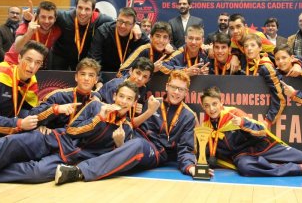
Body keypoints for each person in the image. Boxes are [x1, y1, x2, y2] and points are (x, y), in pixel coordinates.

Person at [0, 81, 142, 185]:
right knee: (10, 143)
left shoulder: (127, 129)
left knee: (37, 173)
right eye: (121, 96)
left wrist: (119, 145)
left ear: (134, 103)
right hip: (56, 139)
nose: (123, 101)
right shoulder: (96, 107)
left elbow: (108, 160)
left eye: (129, 99)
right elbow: (72, 130)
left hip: (70, 159)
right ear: (114, 97)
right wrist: (98, 119)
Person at [189, 86, 302, 178]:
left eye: (214, 104)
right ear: (203, 107)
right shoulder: (205, 127)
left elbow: (261, 131)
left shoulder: (233, 114)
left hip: (264, 147)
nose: (212, 108)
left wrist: (244, 123)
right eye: (207, 106)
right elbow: (209, 153)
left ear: (221, 102)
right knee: (245, 169)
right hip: (243, 156)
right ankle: (300, 170)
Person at [54, 70, 198, 185]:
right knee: (111, 135)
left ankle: (80, 171)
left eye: (181, 89)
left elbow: (186, 148)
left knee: (139, 145)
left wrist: (190, 167)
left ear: (186, 92)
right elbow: (130, 120)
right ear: (167, 86)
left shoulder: (188, 116)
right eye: (174, 87)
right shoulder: (151, 102)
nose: (176, 92)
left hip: (155, 151)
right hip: (132, 138)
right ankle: (72, 158)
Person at [0, 58, 102, 183]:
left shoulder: (97, 103)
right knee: (12, 147)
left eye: (91, 75)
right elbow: (34, 114)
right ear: (76, 77)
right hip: (47, 139)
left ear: (96, 80)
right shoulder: (58, 95)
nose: (86, 78)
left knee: (38, 173)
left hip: (68, 150)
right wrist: (47, 118)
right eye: (83, 74)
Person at [0, 41, 48, 152]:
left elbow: (30, 110)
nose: (32, 66)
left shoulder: (31, 81)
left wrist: (40, 124)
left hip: (4, 118)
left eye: (38, 62)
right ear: (19, 58)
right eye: (28, 60)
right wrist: (19, 123)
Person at [50, 0, 114, 71]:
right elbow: (45, 14)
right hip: (62, 59)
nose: (82, 13)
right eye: (80, 8)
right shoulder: (63, 17)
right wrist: (31, 19)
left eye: (87, 9)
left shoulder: (102, 20)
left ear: (93, 10)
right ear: (75, 7)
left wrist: (133, 27)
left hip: (87, 60)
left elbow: (119, 24)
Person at [241, 33, 285, 127]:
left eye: (253, 45)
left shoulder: (266, 67)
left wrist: (269, 120)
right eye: (246, 46)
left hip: (264, 120)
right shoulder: (244, 66)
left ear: (260, 48)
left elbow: (279, 96)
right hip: (249, 117)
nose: (249, 48)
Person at [88, 7, 149, 72]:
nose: (123, 26)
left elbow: (150, 50)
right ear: (116, 20)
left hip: (129, 78)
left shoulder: (140, 37)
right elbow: (94, 59)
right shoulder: (103, 32)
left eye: (127, 23)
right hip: (104, 74)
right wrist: (99, 80)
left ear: (134, 25)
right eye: (120, 21)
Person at [97, 57, 154, 126]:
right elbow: (112, 112)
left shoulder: (143, 88)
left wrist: (136, 111)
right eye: (138, 73)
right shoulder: (115, 86)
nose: (140, 78)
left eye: (145, 77)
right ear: (130, 71)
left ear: (148, 80)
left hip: (124, 123)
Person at [4, 1, 61, 69]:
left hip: (32, 68)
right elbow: (17, 48)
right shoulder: (27, 26)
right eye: (43, 17)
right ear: (37, 16)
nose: (46, 21)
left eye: (50, 18)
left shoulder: (57, 31)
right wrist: (29, 33)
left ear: (55, 19)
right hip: (12, 65)